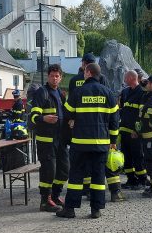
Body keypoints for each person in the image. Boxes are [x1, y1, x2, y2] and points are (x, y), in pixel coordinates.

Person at [58, 62, 119, 219]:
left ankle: (70, 209)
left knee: (76, 175)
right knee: (98, 176)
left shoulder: (78, 92)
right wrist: (113, 140)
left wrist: (73, 120)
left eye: (85, 71)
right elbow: (114, 121)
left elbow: (67, 113)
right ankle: (96, 209)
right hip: (101, 144)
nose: (83, 73)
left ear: (89, 73)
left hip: (80, 143)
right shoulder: (108, 93)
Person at [30, 64, 69, 212]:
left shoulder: (60, 93)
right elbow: (33, 117)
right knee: (49, 171)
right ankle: (45, 201)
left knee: (64, 169)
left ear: (60, 77)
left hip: (60, 140)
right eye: (52, 75)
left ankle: (55, 195)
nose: (54, 78)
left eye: (57, 76)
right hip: (46, 141)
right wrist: (44, 118)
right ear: (48, 76)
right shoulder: (42, 92)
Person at [119, 70, 148, 190]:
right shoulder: (125, 92)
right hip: (125, 130)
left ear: (131, 78)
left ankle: (142, 180)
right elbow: (121, 109)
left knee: (138, 156)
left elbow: (141, 115)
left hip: (135, 132)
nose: (124, 79)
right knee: (127, 157)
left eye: (125, 77)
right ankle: (131, 180)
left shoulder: (141, 92)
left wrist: (137, 131)